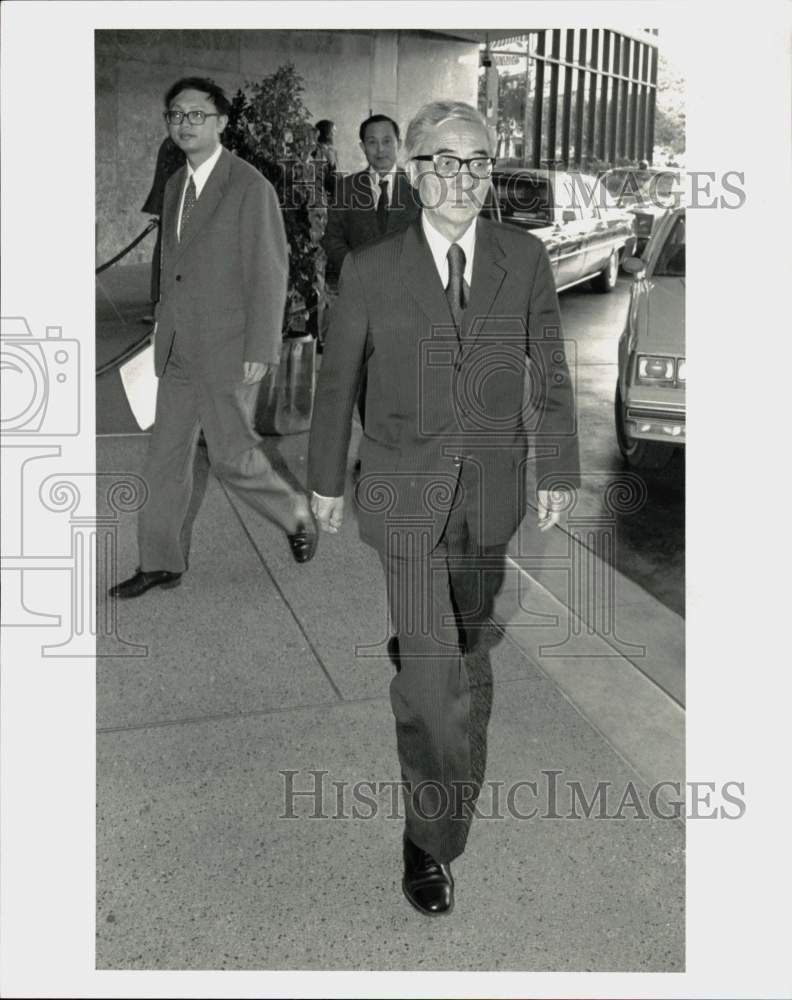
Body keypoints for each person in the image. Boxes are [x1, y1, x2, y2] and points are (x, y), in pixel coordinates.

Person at [308, 100, 579, 916]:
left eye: (477, 161)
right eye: (442, 160)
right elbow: (337, 381)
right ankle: (430, 837)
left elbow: (551, 367)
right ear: (416, 171)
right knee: (436, 685)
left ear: (489, 174)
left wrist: (556, 465)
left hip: (489, 492)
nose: (459, 177)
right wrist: (324, 478)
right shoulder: (372, 268)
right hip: (402, 490)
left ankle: (430, 651)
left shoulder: (522, 257)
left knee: (465, 633)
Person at [110, 77, 317, 601]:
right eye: (175, 114)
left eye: (195, 115)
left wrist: (260, 348)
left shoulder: (249, 187)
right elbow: (175, 265)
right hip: (179, 347)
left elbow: (270, 271)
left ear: (222, 122)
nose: (183, 123)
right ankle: (159, 561)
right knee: (163, 458)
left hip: (229, 348)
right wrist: (161, 323)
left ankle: (293, 512)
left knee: (230, 456)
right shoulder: (177, 184)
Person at [321, 113, 421, 281]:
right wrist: (355, 268)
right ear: (363, 147)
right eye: (372, 142)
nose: (380, 149)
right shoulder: (346, 187)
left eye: (387, 141)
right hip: (359, 287)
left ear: (399, 144)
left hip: (408, 288)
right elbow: (332, 238)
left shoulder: (418, 187)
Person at [141, 136, 186, 313]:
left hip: (173, 201)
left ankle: (159, 293)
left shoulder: (174, 142)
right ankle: (162, 294)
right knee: (168, 246)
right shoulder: (176, 143)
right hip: (175, 202)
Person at [310, 118, 338, 196]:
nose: (334, 135)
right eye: (333, 132)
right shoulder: (322, 150)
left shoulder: (328, 149)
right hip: (322, 192)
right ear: (327, 133)